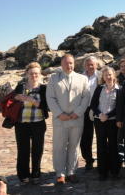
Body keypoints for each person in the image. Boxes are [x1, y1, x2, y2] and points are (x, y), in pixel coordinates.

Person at [46, 54, 90, 185]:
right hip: (60, 119)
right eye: (66, 63)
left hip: (76, 118)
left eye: (71, 63)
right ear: (61, 64)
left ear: (74, 64)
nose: (69, 65)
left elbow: (86, 97)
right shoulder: (54, 78)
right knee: (59, 147)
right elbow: (50, 98)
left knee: (74, 146)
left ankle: (71, 171)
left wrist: (77, 112)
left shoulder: (82, 78)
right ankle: (60, 173)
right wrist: (59, 114)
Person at [13, 62, 49, 186]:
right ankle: (23, 176)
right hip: (21, 123)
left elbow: (46, 106)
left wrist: (31, 100)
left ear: (39, 74)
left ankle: (36, 174)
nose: (34, 75)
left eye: (36, 73)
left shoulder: (43, 88)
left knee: (37, 150)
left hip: (38, 123)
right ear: (27, 73)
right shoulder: (20, 86)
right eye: (32, 73)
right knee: (22, 150)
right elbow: (12, 99)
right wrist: (17, 97)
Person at [90, 67, 121, 181]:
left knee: (113, 146)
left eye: (110, 75)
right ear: (102, 77)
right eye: (105, 75)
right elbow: (93, 104)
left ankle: (115, 171)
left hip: (112, 121)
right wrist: (100, 114)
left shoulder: (119, 89)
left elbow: (119, 106)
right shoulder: (99, 89)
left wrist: (107, 115)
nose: (108, 77)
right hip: (99, 121)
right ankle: (102, 171)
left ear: (114, 75)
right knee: (101, 145)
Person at [81, 56, 101, 171]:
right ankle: (88, 160)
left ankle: (102, 159)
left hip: (99, 109)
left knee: (101, 135)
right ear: (85, 65)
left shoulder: (101, 75)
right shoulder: (79, 77)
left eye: (92, 64)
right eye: (88, 64)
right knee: (85, 137)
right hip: (84, 109)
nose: (90, 66)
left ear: (96, 65)